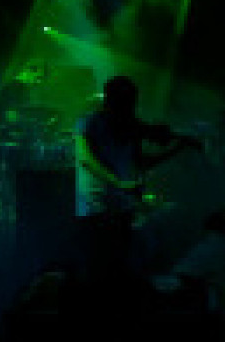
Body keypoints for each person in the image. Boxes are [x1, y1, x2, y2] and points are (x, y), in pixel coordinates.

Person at [69, 75, 202, 336]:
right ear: (111, 100)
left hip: (121, 210)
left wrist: (177, 148)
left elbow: (142, 163)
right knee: (96, 275)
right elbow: (85, 159)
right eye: (125, 102)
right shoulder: (88, 122)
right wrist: (119, 182)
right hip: (94, 211)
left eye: (131, 102)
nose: (130, 108)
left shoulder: (130, 128)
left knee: (119, 276)